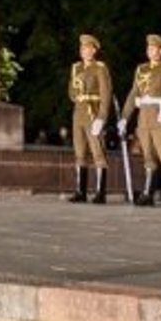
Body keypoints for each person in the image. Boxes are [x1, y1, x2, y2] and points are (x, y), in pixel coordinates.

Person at [118, 34, 161, 206]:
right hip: (144, 116)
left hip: (160, 115)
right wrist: (124, 117)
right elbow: (133, 94)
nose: (151, 51)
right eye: (149, 48)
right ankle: (148, 192)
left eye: (154, 48)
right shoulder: (141, 69)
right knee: (148, 155)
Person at [67, 32, 114, 204]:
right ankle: (81, 191)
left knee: (98, 153)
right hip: (78, 112)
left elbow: (106, 94)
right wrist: (77, 93)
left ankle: (100, 192)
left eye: (87, 48)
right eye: (82, 48)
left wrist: (101, 117)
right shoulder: (76, 68)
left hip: (92, 112)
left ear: (94, 50)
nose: (84, 51)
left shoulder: (100, 68)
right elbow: (71, 92)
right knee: (79, 153)